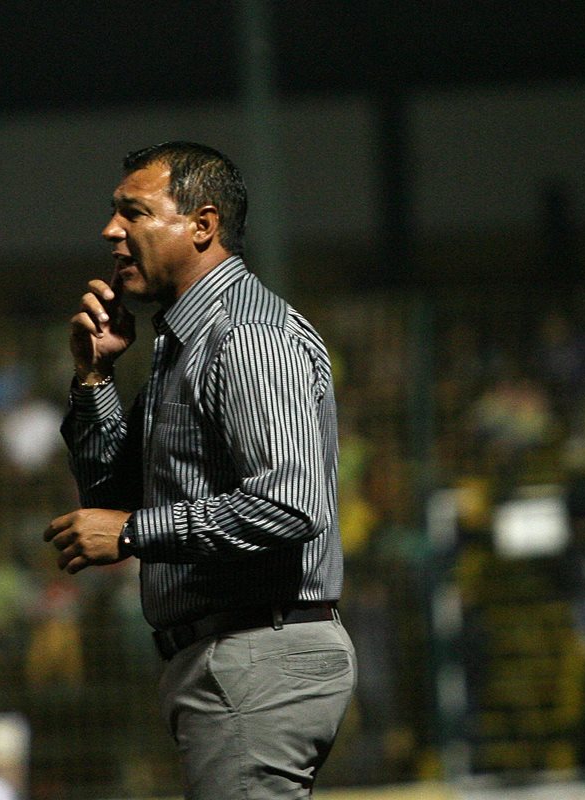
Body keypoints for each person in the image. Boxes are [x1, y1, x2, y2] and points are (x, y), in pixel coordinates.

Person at [44, 141, 356, 798]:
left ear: (202, 225)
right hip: (233, 654)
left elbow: (291, 503)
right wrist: (95, 377)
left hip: (258, 651)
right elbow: (114, 495)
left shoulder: (243, 335)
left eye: (134, 212)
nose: (111, 232)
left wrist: (132, 534)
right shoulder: (183, 342)